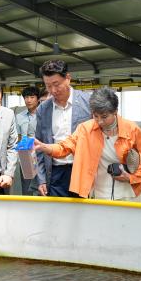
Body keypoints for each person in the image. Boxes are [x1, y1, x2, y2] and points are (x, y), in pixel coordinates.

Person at [35, 87, 141, 200]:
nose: (100, 121)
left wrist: (131, 177)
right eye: (96, 116)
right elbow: (64, 147)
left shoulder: (132, 129)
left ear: (115, 111)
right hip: (99, 193)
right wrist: (46, 147)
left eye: (104, 117)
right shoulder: (85, 129)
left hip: (129, 192)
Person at [35, 60, 91, 197]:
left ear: (68, 78)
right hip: (55, 174)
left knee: (84, 215)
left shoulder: (88, 103)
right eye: (48, 86)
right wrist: (41, 179)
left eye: (56, 84)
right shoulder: (43, 109)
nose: (53, 90)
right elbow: (40, 147)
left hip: (83, 171)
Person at [16, 86, 40, 195]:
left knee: (41, 185)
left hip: (40, 154)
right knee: (26, 187)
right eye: (26, 97)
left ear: (38, 99)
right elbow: (19, 137)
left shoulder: (43, 115)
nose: (29, 100)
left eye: (32, 97)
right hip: (25, 155)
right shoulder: (19, 116)